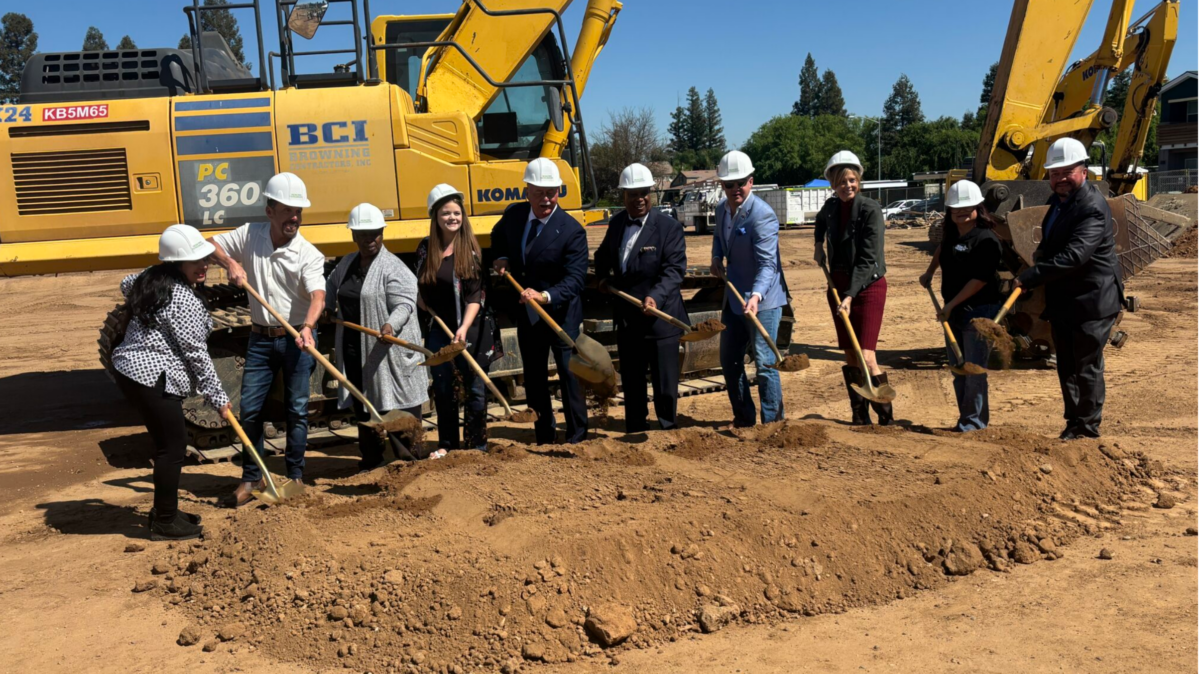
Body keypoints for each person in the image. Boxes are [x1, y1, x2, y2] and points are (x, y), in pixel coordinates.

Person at [210, 172, 326, 507]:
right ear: (269, 211)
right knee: (250, 411)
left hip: (297, 338)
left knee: (297, 410)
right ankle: (252, 477)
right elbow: (208, 244)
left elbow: (318, 295)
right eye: (288, 210)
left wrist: (308, 327)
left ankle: (295, 476)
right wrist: (230, 262)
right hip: (260, 339)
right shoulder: (250, 235)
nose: (294, 217)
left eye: (298, 211)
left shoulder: (308, 253)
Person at [112, 224, 231, 541]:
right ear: (177, 263)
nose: (204, 266)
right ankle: (165, 521)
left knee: (168, 445)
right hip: (153, 377)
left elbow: (127, 284)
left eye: (205, 259)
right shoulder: (184, 300)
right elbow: (197, 354)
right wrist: (219, 399)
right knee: (173, 447)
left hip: (129, 370)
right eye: (196, 262)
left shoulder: (151, 279)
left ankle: (167, 511)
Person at [1015, 137, 1123, 440]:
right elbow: (1050, 243)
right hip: (1065, 298)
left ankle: (1087, 427)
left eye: (1067, 171)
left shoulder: (1091, 207)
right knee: (1066, 363)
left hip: (1093, 299)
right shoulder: (1058, 203)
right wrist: (1039, 258)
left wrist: (1032, 276)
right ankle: (1073, 422)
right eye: (1054, 173)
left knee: (1086, 364)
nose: (1060, 178)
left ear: (1084, 171)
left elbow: (1076, 255)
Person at [491, 158, 589, 444]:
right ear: (527, 192)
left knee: (569, 377)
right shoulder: (515, 216)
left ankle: (577, 436)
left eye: (552, 192)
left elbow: (575, 279)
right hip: (529, 317)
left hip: (560, 315)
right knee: (534, 378)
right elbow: (498, 235)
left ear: (559, 191)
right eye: (539, 192)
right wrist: (503, 255)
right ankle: (543, 434)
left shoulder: (571, 231)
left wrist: (545, 296)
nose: (546, 198)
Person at [326, 203, 430, 467]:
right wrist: (327, 306)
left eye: (374, 233)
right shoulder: (347, 262)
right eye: (362, 233)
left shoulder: (393, 267)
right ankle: (371, 463)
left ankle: (409, 464)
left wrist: (390, 326)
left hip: (387, 353)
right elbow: (331, 284)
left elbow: (405, 304)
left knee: (396, 407)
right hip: (354, 347)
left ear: (382, 233)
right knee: (364, 404)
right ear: (353, 235)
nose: (368, 239)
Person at [595, 163, 688, 433]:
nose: (638, 199)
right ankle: (635, 430)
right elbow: (603, 256)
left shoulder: (668, 228)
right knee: (633, 385)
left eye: (644, 193)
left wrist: (654, 297)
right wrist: (603, 278)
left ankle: (667, 431)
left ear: (651, 194)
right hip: (628, 321)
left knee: (664, 386)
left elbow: (673, 272)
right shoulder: (617, 224)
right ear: (623, 196)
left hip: (660, 322)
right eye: (632, 194)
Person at [416, 184, 499, 454]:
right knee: (443, 387)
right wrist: (420, 299)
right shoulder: (426, 248)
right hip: (439, 328)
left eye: (457, 213)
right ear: (435, 218)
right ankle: (447, 445)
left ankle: (477, 445)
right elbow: (419, 283)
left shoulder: (470, 250)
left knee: (475, 388)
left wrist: (463, 327)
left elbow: (476, 296)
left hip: (471, 328)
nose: (453, 218)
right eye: (446, 213)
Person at [710, 150, 789, 428]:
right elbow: (720, 239)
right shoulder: (721, 209)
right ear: (722, 185)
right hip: (734, 299)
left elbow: (769, 266)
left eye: (740, 183)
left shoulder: (762, 216)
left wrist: (755, 296)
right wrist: (716, 258)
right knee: (729, 361)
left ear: (751, 181)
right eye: (728, 184)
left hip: (763, 301)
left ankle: (773, 424)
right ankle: (744, 418)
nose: (735, 189)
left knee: (765, 364)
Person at [814, 150, 893, 426]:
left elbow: (868, 258)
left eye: (852, 180)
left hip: (867, 288)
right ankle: (859, 415)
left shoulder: (871, 210)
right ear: (833, 184)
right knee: (849, 353)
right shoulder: (831, 208)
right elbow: (820, 222)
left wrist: (850, 295)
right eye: (841, 181)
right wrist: (817, 245)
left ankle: (885, 415)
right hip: (837, 289)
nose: (848, 185)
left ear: (858, 180)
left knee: (867, 355)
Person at [919, 180, 1002, 431]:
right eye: (956, 209)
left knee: (974, 370)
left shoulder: (987, 240)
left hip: (979, 311)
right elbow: (942, 250)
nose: (961, 212)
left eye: (966, 207)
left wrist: (951, 305)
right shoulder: (952, 235)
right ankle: (965, 419)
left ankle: (974, 423)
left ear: (978, 208)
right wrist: (929, 273)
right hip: (953, 311)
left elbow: (980, 280)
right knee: (958, 368)